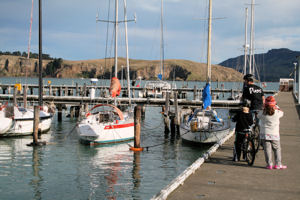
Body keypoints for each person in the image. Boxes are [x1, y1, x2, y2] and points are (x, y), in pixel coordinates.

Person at [257, 96, 287, 170]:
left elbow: (258, 116)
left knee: (267, 150)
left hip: (264, 134)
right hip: (274, 134)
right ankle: (278, 164)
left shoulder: (262, 113)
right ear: (273, 104)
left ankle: (269, 164)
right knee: (277, 149)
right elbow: (282, 112)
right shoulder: (277, 113)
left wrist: (262, 108)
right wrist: (276, 106)